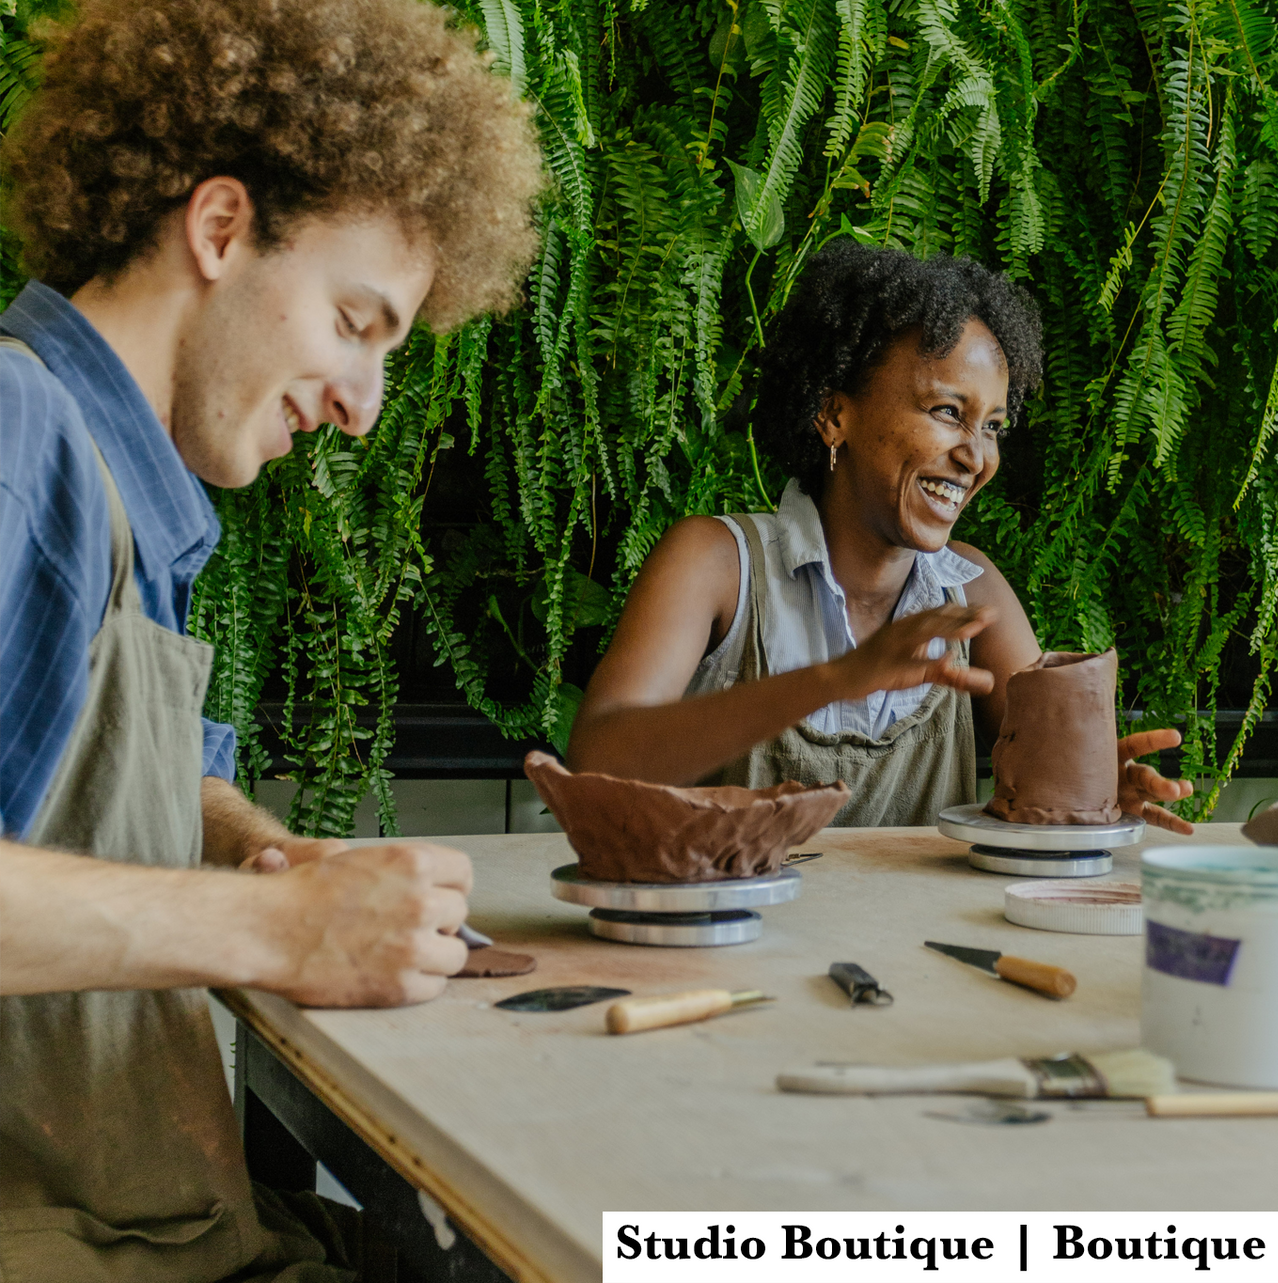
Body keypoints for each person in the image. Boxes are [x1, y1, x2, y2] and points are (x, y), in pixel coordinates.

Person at [0, 0, 542, 1278]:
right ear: (221, 227)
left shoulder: (124, 480)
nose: (362, 410)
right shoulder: (23, 439)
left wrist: (266, 852)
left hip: (153, 1216)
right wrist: (281, 937)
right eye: (357, 325)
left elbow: (103, 792)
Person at [568, 244, 1193, 830]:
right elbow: (596, 762)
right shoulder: (716, 566)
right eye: (948, 412)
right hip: (726, 940)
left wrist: (1095, 787)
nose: (976, 457)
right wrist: (838, 677)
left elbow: (1041, 781)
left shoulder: (976, 596)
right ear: (835, 414)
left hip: (915, 947)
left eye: (994, 426)